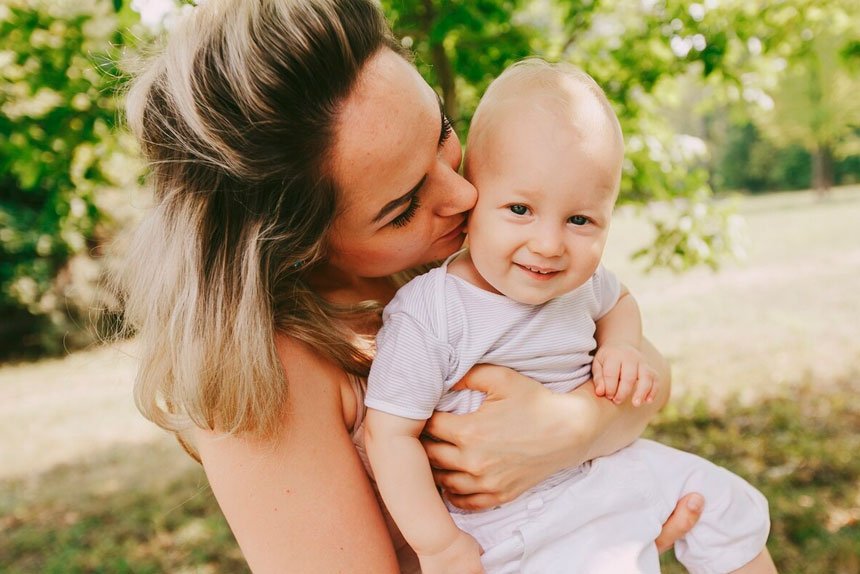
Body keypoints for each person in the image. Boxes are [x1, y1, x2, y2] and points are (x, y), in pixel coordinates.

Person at [118, 0, 704, 571]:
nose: (464, 196)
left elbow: (645, 368)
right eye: (402, 208)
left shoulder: (448, 259)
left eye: (443, 132)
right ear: (295, 242)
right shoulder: (267, 378)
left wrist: (570, 437)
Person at [364, 60, 777, 574]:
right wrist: (439, 545)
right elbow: (388, 435)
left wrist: (622, 346)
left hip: (603, 467)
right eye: (520, 209)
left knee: (727, 506)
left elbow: (620, 301)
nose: (549, 244)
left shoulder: (581, 282)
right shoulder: (432, 311)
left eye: (580, 219)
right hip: (509, 518)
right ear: (473, 196)